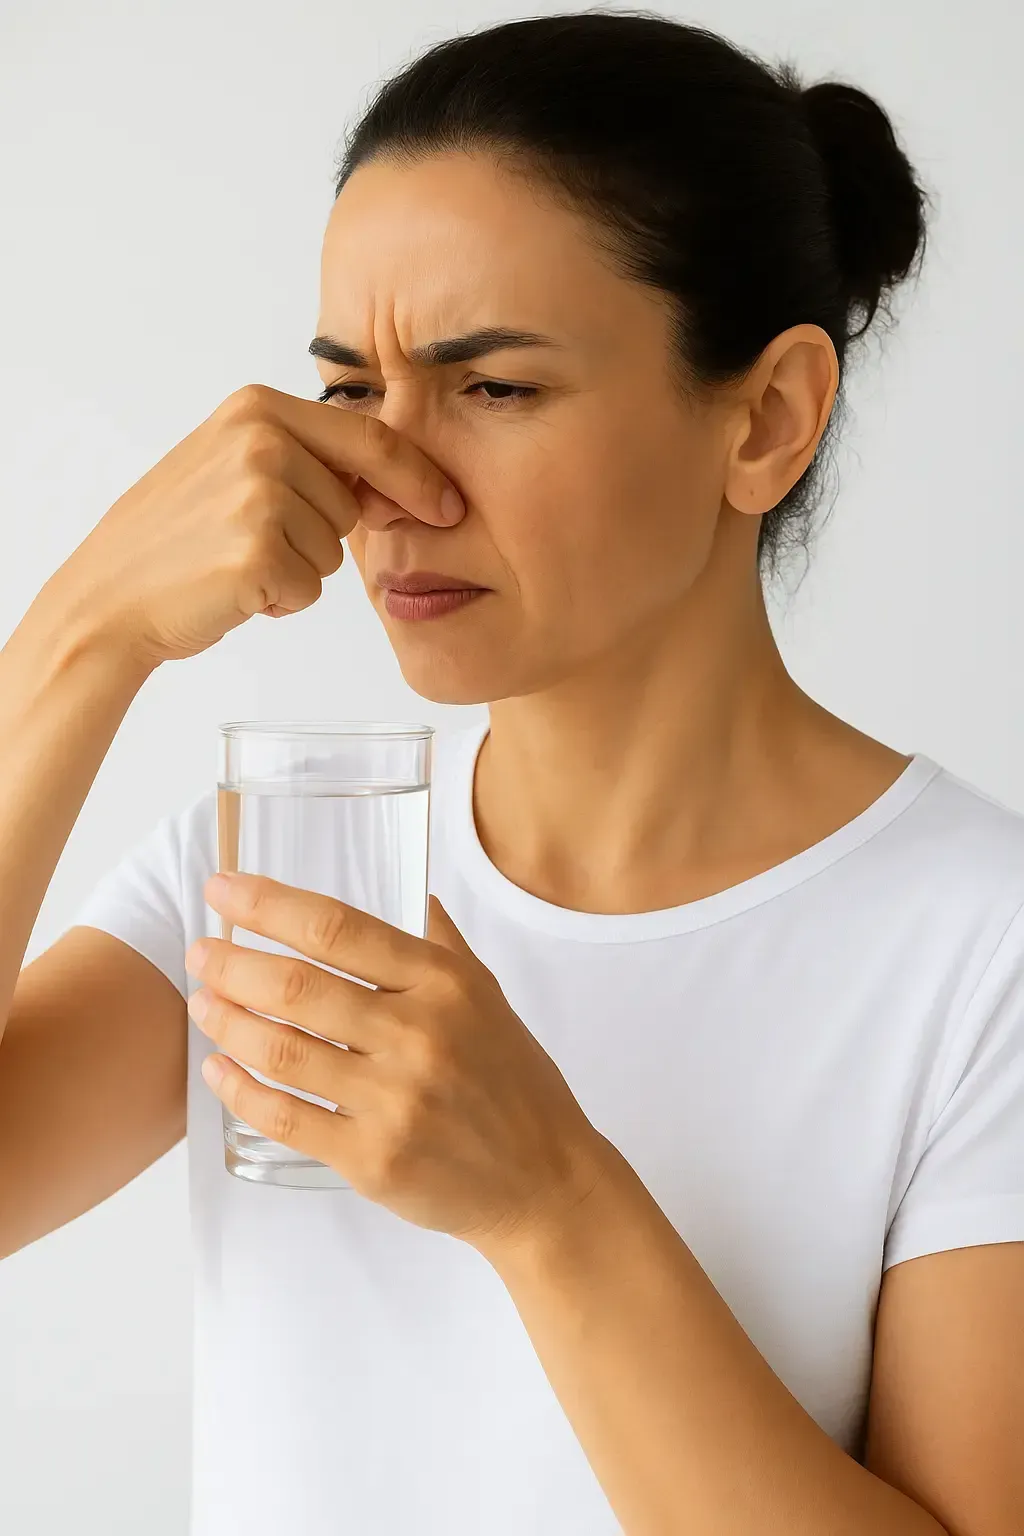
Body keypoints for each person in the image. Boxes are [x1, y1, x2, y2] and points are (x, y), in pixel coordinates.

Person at [0, 11, 1020, 1535]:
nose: (392, 488)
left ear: (768, 419)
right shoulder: (266, 880)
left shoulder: (981, 949)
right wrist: (83, 632)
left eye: (492, 389)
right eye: (351, 390)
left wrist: (545, 1197)